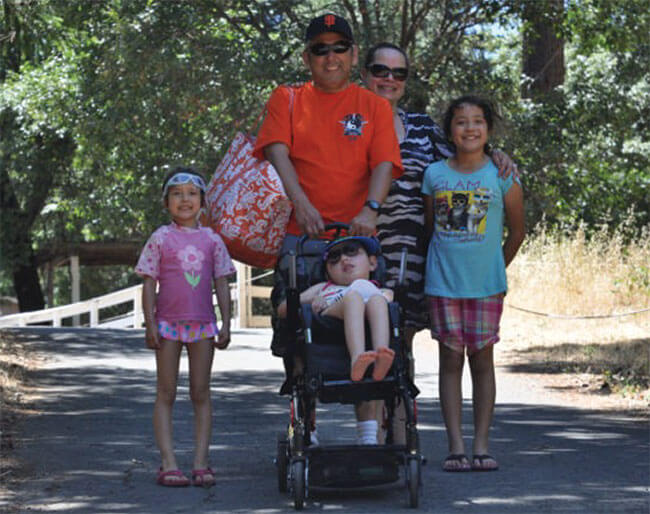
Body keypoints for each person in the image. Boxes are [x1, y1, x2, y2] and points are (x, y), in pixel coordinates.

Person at [253, 14, 403, 445]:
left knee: (376, 328)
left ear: (354, 55)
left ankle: (368, 433)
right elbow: (277, 152)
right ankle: (307, 428)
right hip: (304, 238)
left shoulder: (373, 105)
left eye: (340, 47)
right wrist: (301, 202)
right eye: (320, 48)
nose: (330, 56)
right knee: (298, 333)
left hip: (356, 237)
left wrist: (371, 209)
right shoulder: (288, 98)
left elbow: (384, 164)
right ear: (307, 57)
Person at [361, 42, 518, 443]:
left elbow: (467, 158)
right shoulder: (346, 124)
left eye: (399, 73)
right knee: (363, 343)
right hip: (356, 254)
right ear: (364, 73)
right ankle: (368, 437)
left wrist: (500, 154)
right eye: (381, 70)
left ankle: (397, 438)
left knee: (401, 345)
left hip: (410, 259)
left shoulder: (421, 128)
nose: (389, 79)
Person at [421, 96, 525, 472]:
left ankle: (481, 445)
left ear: (489, 130)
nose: (470, 128)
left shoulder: (502, 175)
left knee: (482, 359)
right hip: (443, 283)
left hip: (486, 286)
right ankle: (455, 447)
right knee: (449, 359)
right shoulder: (434, 175)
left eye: (478, 121)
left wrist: (495, 269)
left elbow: (517, 232)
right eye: (461, 122)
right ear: (450, 131)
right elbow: (431, 229)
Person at [135, 167, 235, 487]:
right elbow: (149, 284)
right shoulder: (160, 238)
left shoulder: (212, 240)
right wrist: (150, 324)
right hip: (167, 326)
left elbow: (221, 283)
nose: (185, 200)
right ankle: (168, 463)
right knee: (166, 392)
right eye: (177, 194)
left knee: (200, 392)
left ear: (203, 201)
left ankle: (201, 462)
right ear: (166, 202)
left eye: (192, 194)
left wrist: (226, 323)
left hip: (203, 326)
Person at [277, 236, 395, 386]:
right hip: (331, 315)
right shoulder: (323, 287)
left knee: (378, 300)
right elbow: (283, 309)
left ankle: (381, 355)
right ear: (327, 272)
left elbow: (390, 299)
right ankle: (357, 359)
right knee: (353, 297)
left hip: (368, 312)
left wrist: (383, 297)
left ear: (372, 263)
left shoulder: (377, 289)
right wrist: (312, 301)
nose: (344, 259)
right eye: (334, 258)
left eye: (351, 251)